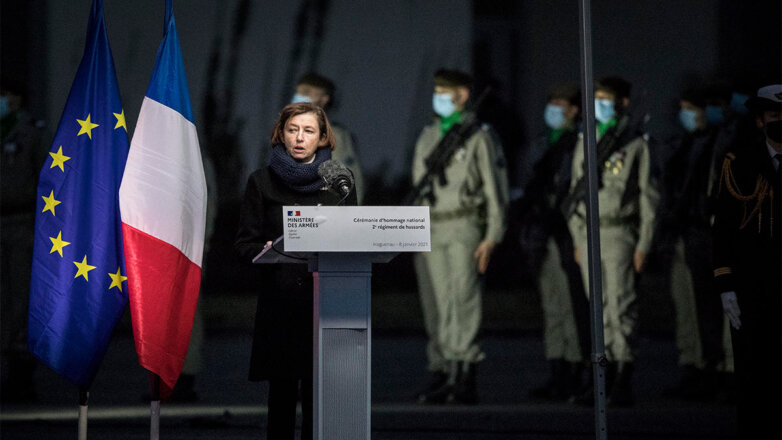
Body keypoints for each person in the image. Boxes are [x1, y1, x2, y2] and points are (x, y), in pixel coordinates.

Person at [234, 102, 356, 440]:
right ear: (281, 134)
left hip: (325, 303)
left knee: (321, 396)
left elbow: (353, 236)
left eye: (308, 131)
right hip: (281, 303)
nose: (300, 138)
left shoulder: (339, 182)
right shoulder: (261, 182)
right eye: (293, 130)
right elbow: (243, 244)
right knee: (283, 395)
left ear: (322, 138)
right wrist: (263, 251)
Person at [411, 69, 509, 405]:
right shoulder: (429, 135)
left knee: (464, 300)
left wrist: (492, 236)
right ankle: (450, 371)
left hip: (465, 224)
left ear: (463, 96)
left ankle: (465, 374)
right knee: (443, 303)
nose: (438, 96)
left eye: (445, 91)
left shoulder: (479, 136)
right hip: (434, 226)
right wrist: (418, 233)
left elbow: (495, 190)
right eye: (437, 90)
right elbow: (419, 188)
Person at [566, 76, 659, 407]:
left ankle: (623, 373)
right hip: (590, 232)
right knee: (599, 309)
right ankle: (602, 376)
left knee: (621, 307)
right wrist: (578, 237)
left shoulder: (635, 143)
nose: (600, 105)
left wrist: (643, 244)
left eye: (607, 99)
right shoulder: (586, 139)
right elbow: (575, 194)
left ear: (622, 103)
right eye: (597, 98)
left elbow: (649, 199)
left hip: (620, 233)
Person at [712, 84, 782, 439]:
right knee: (753, 379)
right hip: (752, 287)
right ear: (759, 120)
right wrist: (726, 285)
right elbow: (724, 229)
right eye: (775, 116)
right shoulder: (738, 162)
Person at [515, 83, 588, 400]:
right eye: (552, 102)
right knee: (552, 305)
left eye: (561, 103)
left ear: (574, 109)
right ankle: (557, 368)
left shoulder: (579, 143)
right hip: (543, 230)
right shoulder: (542, 144)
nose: (554, 109)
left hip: (564, 231)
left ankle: (575, 367)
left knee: (571, 304)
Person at [655, 88, 726, 401]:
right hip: (683, 231)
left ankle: (717, 370)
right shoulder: (684, 143)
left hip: (705, 232)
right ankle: (694, 367)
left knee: (710, 307)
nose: (688, 115)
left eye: (692, 108)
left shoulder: (720, 142)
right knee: (687, 307)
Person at [1, 78, 44, 403]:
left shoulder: (32, 133)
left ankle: (21, 372)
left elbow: (46, 178)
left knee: (20, 298)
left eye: (7, 95)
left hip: (22, 224)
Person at [291, 72, 365, 203]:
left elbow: (349, 183)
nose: (300, 97)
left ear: (324, 99)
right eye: (299, 92)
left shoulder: (334, 136)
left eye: (307, 92)